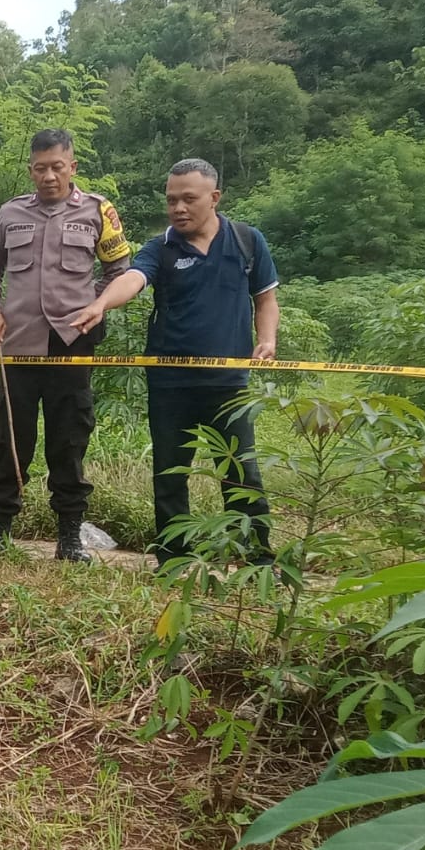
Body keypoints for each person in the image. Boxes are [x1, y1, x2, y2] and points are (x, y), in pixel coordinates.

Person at [69, 157, 279, 568]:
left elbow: (266, 299)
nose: (179, 208)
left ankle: (257, 561)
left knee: (241, 474)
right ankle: (173, 559)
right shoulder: (160, 247)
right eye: (171, 200)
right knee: (170, 474)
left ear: (214, 198)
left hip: (229, 384)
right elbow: (132, 279)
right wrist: (101, 303)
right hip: (170, 383)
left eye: (189, 199)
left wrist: (267, 339)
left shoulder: (247, 241)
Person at [0, 128, 131, 564]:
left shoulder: (99, 211)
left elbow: (121, 270)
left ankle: (70, 540)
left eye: (57, 167)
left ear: (72, 167)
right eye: (40, 168)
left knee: (69, 442)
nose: (48, 176)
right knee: (9, 444)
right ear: (31, 170)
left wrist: (96, 304)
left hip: (71, 345)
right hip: (18, 346)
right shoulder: (10, 213)